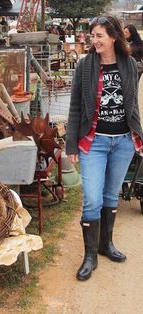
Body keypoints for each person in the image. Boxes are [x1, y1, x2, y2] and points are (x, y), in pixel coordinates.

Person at [66, 16, 143, 281]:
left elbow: (132, 105)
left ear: (113, 37)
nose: (94, 41)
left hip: (122, 142)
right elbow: (76, 106)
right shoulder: (85, 65)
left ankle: (105, 244)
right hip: (93, 142)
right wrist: (71, 144)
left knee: (111, 195)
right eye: (92, 36)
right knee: (92, 198)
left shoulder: (129, 64)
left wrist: (137, 136)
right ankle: (89, 256)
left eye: (99, 36)